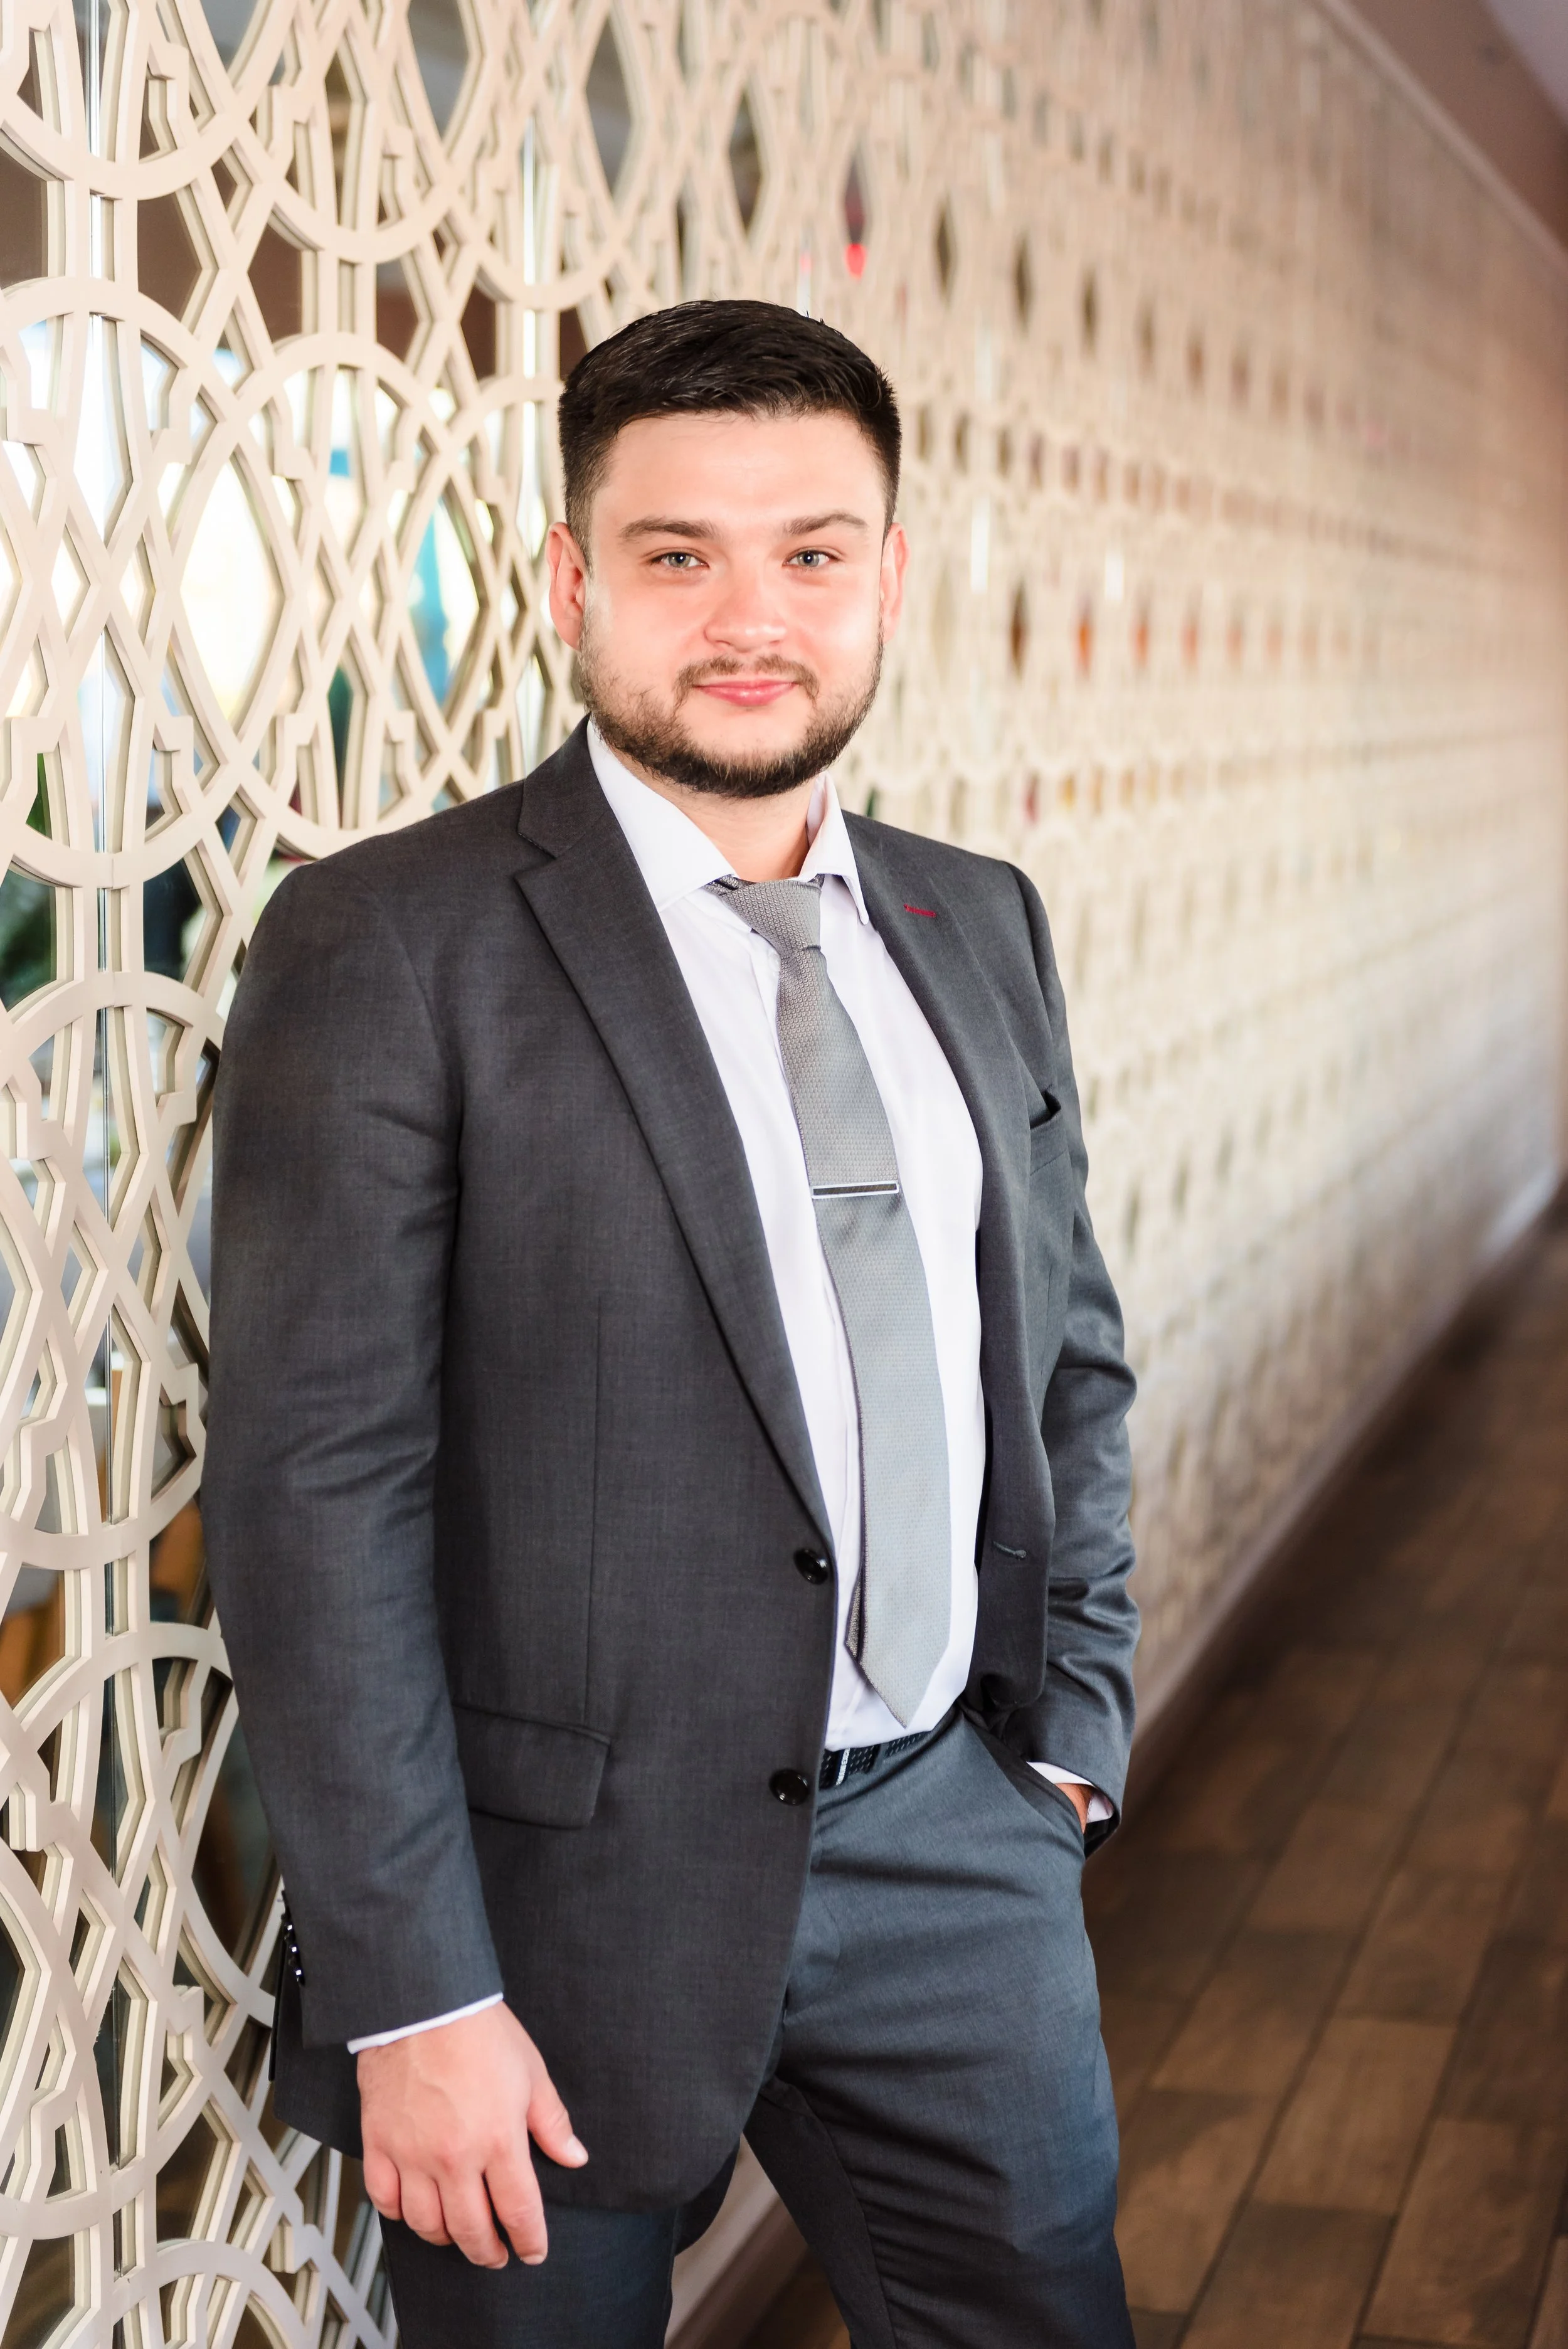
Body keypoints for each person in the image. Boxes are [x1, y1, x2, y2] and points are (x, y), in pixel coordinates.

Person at [204, 298, 1139, 2349]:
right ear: (571, 580)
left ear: (888, 577)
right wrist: (415, 1990)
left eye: (811, 552)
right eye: (675, 555)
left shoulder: (976, 917)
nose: (750, 616)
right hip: (547, 1914)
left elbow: (1061, 1352)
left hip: (953, 1838)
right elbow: (311, 1497)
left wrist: (1066, 1729)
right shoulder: (388, 942)